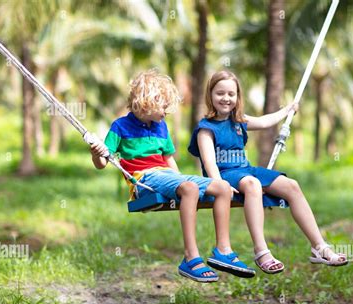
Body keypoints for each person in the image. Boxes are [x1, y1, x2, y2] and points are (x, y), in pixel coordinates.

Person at [90, 69, 256, 282]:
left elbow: (169, 159)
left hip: (167, 176)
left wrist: (179, 179)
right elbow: (102, 163)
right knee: (190, 188)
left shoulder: (161, 126)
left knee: (222, 187)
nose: (167, 111)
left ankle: (223, 251)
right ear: (147, 102)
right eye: (164, 106)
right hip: (144, 180)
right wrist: (97, 153)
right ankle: (191, 257)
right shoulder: (120, 126)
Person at [188, 70, 348, 274]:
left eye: (231, 94)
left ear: (238, 97)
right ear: (210, 95)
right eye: (220, 93)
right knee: (253, 184)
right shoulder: (206, 129)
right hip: (224, 176)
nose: (226, 98)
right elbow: (210, 164)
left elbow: (264, 121)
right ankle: (261, 250)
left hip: (245, 170)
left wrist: (287, 110)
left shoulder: (239, 121)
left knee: (292, 186)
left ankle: (319, 247)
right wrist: (222, 186)